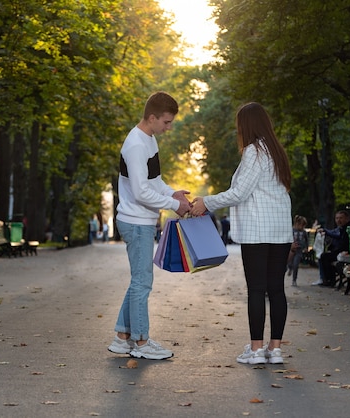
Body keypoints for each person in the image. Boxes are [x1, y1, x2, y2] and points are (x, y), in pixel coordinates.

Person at [191, 102, 292, 365]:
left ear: (245, 126)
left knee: (257, 290)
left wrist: (207, 202)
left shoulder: (253, 151)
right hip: (280, 231)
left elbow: (240, 193)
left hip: (258, 231)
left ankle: (257, 350)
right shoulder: (276, 151)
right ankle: (275, 349)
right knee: (277, 290)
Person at [108, 91, 191, 360]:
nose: (169, 128)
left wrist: (173, 194)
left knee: (138, 282)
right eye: (166, 122)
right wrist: (174, 206)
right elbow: (142, 192)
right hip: (135, 221)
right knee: (142, 283)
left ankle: (122, 338)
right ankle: (141, 342)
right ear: (152, 117)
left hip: (142, 220)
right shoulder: (135, 145)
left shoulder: (149, 140)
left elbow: (154, 182)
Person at [312, 210, 350, 287]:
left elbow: (341, 239)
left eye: (341, 218)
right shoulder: (341, 228)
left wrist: (326, 231)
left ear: (347, 218)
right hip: (340, 251)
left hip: (347, 252)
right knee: (323, 256)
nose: (338, 220)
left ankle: (329, 281)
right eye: (337, 218)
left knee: (325, 257)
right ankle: (326, 280)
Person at [287, 215, 308, 286]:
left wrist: (306, 247)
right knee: (289, 262)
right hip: (291, 250)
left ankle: (294, 280)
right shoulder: (292, 231)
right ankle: (290, 268)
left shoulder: (304, 232)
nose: (302, 227)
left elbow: (306, 240)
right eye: (301, 225)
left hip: (299, 250)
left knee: (296, 264)